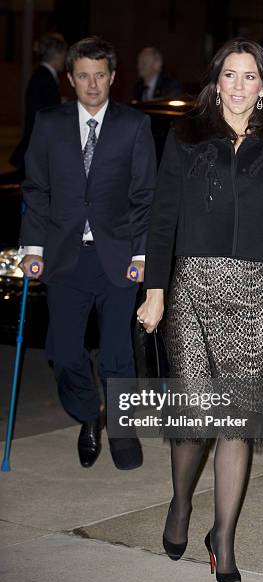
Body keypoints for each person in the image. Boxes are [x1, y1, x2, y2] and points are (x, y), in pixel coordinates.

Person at [137, 37, 263, 582]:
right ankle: (181, 504)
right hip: (189, 289)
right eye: (229, 75)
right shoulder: (185, 137)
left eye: (249, 77)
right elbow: (162, 219)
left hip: (253, 293)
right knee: (194, 420)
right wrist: (155, 290)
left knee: (237, 422)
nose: (238, 86)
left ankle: (224, 540)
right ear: (216, 81)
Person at [19, 37, 157, 470]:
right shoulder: (49, 123)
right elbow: (37, 190)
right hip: (64, 256)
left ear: (113, 78)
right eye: (83, 76)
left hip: (116, 256)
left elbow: (144, 197)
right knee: (63, 351)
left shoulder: (134, 126)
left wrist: (141, 255)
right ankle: (88, 415)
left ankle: (121, 429)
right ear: (70, 78)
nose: (92, 84)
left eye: (100, 75)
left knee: (117, 352)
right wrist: (31, 248)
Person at [10, 33, 67, 173]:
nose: (65, 60)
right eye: (64, 55)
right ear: (57, 56)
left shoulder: (42, 75)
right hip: (38, 146)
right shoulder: (45, 79)